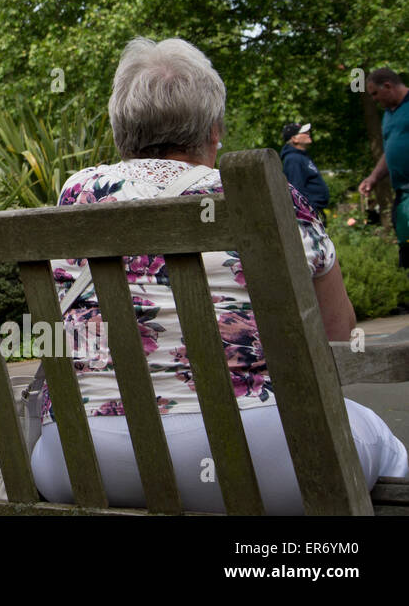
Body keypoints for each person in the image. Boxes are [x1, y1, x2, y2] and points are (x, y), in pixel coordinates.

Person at [32, 37, 408, 514]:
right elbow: (335, 337)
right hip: (265, 458)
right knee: (382, 443)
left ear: (120, 129)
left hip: (80, 459)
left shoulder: (78, 193)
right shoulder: (267, 199)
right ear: (214, 129)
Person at [358, 67, 409, 269]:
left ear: (388, 85)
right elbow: (392, 151)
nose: (375, 100)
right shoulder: (389, 114)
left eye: (375, 94)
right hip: (403, 194)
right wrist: (373, 177)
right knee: (406, 250)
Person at [279, 121, 329, 220]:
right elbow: (296, 190)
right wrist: (308, 213)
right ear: (294, 139)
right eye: (304, 133)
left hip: (315, 212)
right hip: (308, 214)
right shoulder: (293, 159)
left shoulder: (302, 157)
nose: (308, 134)